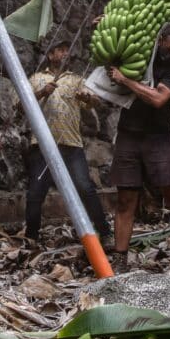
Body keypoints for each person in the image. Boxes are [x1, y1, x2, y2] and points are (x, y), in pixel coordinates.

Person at [106, 22, 170, 275]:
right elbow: (109, 52)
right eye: (167, 47)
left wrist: (125, 80)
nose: (169, 53)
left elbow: (158, 98)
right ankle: (120, 258)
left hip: (158, 138)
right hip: (128, 135)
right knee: (125, 200)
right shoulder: (138, 57)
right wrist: (105, 24)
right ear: (160, 39)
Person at [23, 40, 111, 243]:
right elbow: (21, 106)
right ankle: (31, 238)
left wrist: (88, 98)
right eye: (60, 50)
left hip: (71, 144)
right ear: (50, 55)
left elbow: (96, 102)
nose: (65, 53)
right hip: (43, 145)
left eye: (67, 50)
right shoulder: (36, 78)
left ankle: (105, 232)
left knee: (85, 188)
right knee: (35, 193)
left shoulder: (76, 80)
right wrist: (42, 92)